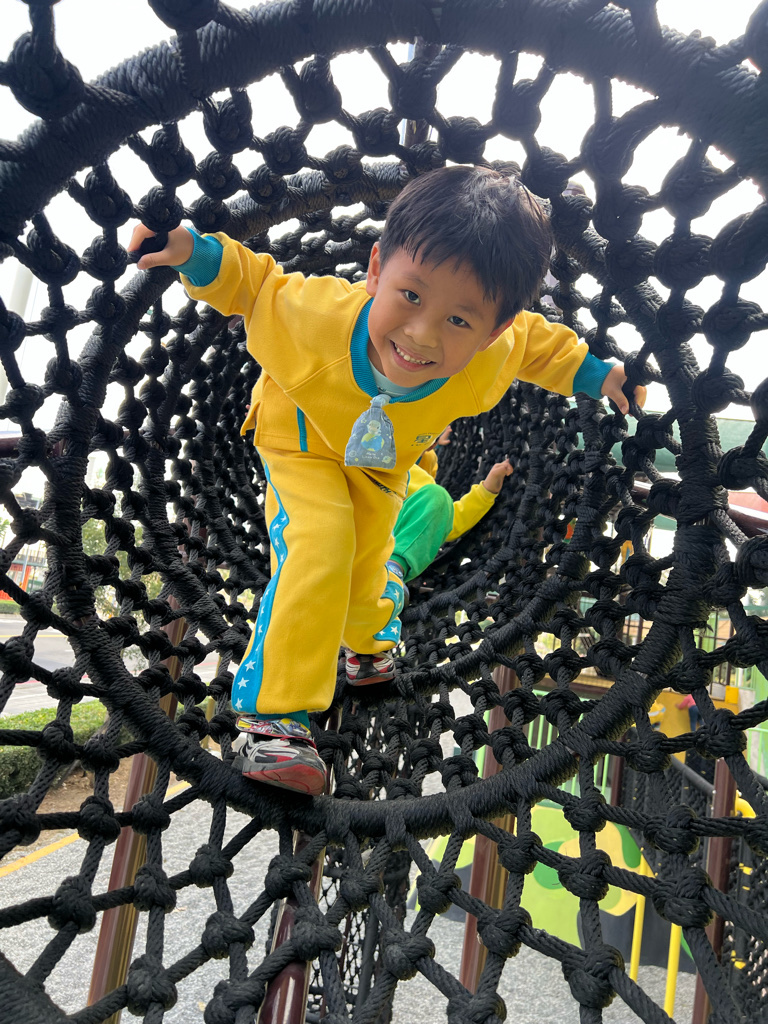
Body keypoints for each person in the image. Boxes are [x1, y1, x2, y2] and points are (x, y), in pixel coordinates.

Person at [129, 165, 646, 796]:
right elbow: (254, 283)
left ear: (492, 331)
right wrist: (190, 250)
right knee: (322, 544)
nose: (421, 335)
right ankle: (273, 716)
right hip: (299, 437)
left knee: (371, 557)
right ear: (376, 269)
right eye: (411, 296)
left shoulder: (491, 358)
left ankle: (367, 640)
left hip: (382, 465)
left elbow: (538, 345)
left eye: (460, 321)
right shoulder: (318, 317)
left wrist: (599, 375)